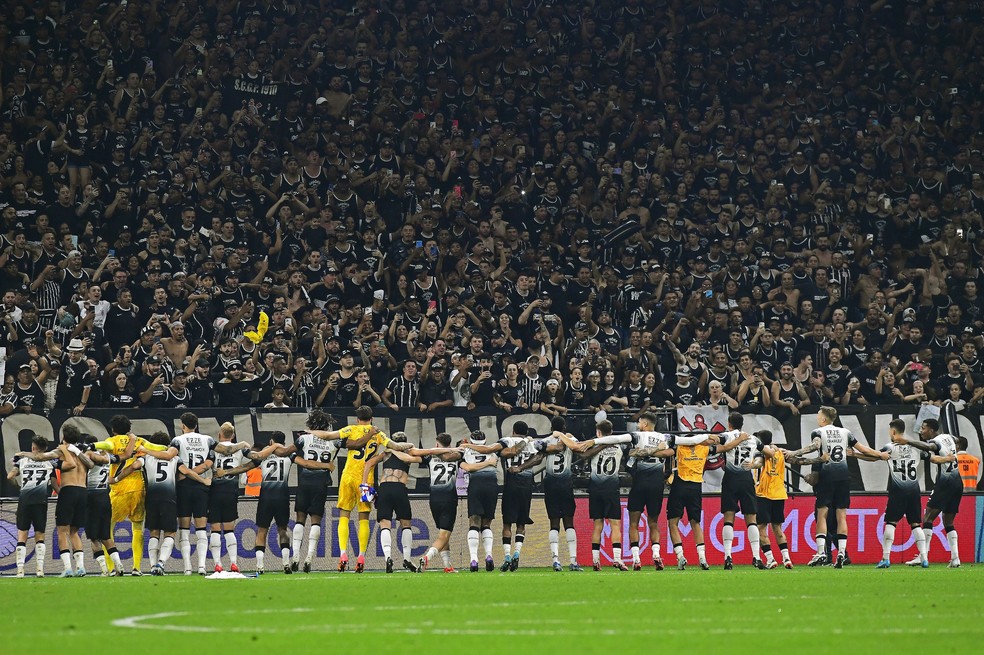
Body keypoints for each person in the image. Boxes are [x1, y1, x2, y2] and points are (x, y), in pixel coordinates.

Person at [784, 406, 881, 568]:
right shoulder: (846, 432)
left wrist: (794, 453)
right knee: (841, 515)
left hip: (827, 476)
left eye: (818, 414)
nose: (817, 417)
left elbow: (815, 446)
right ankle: (842, 552)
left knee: (822, 514)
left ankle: (821, 553)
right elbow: (864, 450)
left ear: (823, 419)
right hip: (843, 477)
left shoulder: (818, 432)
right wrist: (880, 455)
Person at [362, 431, 458, 573]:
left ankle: (387, 557)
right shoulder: (409, 454)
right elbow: (423, 453)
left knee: (384, 524)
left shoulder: (386, 453)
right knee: (406, 523)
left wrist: (365, 484)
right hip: (400, 488)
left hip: (385, 487)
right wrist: (450, 449)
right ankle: (406, 559)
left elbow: (368, 463)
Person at [116, 432, 211, 576]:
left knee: (154, 532)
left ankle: (153, 566)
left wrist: (116, 479)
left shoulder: (145, 457)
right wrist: (203, 481)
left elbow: (132, 467)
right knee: (170, 533)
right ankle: (161, 563)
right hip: (169, 499)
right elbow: (187, 472)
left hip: (151, 499)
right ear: (166, 445)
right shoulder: (175, 459)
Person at [332, 405, 412, 572]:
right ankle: (361, 556)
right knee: (364, 518)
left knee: (344, 516)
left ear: (357, 419)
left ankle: (343, 554)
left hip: (348, 476)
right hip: (366, 481)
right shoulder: (378, 433)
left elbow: (331, 436)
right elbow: (395, 446)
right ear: (372, 418)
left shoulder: (351, 429)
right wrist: (409, 445)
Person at [169, 412, 248, 575]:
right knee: (201, 528)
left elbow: (172, 459)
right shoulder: (207, 440)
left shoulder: (177, 440)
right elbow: (227, 450)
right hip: (202, 488)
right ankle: (202, 566)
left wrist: (187, 473)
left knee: (184, 528)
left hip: (183, 487)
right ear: (196, 425)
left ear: (182, 425)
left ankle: (187, 568)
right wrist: (242, 444)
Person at [92, 414, 168, 575]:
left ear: (113, 429)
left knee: (108, 529)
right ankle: (137, 568)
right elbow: (158, 447)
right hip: (138, 488)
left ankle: (112, 568)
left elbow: (103, 445)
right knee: (138, 528)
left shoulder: (112, 441)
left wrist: (91, 445)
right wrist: (169, 447)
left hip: (118, 488)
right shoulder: (139, 441)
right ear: (129, 428)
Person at [664, 427, 747, 570]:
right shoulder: (704, 449)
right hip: (696, 487)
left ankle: (680, 556)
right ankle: (702, 558)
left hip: (679, 485)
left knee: (673, 523)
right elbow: (726, 447)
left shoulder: (679, 447)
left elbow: (665, 452)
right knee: (695, 523)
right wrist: (740, 439)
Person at [850, 419, 926, 569]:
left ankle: (886, 558)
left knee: (891, 522)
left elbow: (874, 457)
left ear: (893, 431)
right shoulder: (915, 448)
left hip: (898, 490)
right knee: (916, 524)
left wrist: (854, 454)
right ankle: (924, 558)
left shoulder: (890, 447)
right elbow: (931, 456)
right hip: (914, 489)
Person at [214, 432, 293, 574]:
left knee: (262, 530)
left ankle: (260, 565)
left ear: (270, 441)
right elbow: (303, 462)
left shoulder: (263, 456)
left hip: (266, 497)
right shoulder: (288, 455)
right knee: (283, 530)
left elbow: (244, 467)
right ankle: (286, 563)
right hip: (282, 496)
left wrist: (226, 472)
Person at [463, 421, 537, 571]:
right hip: (523, 483)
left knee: (504, 522)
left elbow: (501, 451)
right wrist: (522, 466)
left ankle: (501, 557)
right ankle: (515, 553)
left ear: (513, 430)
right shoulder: (532, 443)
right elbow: (539, 457)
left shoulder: (504, 442)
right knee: (519, 523)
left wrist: (467, 446)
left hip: (505, 483)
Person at [557, 420, 628, 571]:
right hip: (612, 489)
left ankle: (596, 561)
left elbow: (581, 452)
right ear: (612, 430)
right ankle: (617, 559)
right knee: (615, 525)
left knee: (597, 525)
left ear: (598, 432)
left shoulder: (593, 445)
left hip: (595, 489)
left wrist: (561, 435)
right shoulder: (619, 445)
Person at [513, 416, 582, 572]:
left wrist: (521, 467)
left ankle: (556, 561)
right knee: (569, 522)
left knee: (554, 523)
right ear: (564, 426)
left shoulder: (545, 441)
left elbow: (537, 459)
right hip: (566, 484)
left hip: (550, 484)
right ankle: (573, 561)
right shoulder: (569, 438)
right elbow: (579, 449)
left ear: (551, 427)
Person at [894, 419, 963, 567]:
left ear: (932, 430)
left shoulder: (936, 441)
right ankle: (955, 558)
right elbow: (958, 440)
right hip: (958, 483)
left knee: (927, 518)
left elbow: (928, 446)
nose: (921, 431)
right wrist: (953, 449)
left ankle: (923, 555)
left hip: (945, 484)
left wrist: (908, 442)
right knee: (949, 521)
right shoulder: (949, 437)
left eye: (923, 428)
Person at [717, 412, 765, 569]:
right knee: (751, 518)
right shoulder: (753, 439)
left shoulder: (727, 435)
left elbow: (716, 443)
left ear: (729, 424)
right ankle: (757, 557)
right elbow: (765, 455)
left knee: (729, 517)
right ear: (742, 424)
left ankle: (728, 556)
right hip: (746, 480)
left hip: (730, 479)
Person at [7, 434, 57, 577]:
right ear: (45, 448)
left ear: (33, 447)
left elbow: (10, 476)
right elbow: (54, 483)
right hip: (41, 500)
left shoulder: (22, 461)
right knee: (39, 534)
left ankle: (20, 570)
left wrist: (19, 487)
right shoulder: (50, 462)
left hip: (25, 499)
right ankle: (40, 569)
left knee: (22, 534)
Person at [419, 432, 464, 573]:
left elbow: (412, 456)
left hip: (434, 499)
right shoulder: (456, 455)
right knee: (444, 535)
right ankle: (427, 558)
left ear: (437, 444)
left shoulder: (430, 456)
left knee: (443, 534)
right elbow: (454, 455)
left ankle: (447, 565)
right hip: (449, 499)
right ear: (450, 444)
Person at [206, 422, 248, 573]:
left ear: (219, 434)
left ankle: (217, 564)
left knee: (216, 529)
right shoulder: (240, 450)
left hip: (215, 490)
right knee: (229, 530)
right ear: (233, 435)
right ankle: (233, 563)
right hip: (231, 491)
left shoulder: (213, 449)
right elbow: (254, 459)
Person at [748, 430, 793, 569]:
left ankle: (770, 559)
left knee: (761, 527)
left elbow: (759, 462)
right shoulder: (780, 452)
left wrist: (751, 465)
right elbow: (796, 458)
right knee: (777, 527)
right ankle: (786, 559)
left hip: (764, 493)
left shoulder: (761, 452)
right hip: (779, 493)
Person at [82, 435, 124, 576]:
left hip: (91, 497)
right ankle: (119, 565)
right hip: (105, 497)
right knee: (106, 536)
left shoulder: (87, 456)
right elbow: (122, 457)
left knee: (94, 537)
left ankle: (105, 570)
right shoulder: (107, 456)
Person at [461, 430, 500, 572]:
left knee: (474, 521)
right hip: (492, 485)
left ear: (471, 441)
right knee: (487, 523)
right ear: (485, 441)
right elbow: (494, 463)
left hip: (476, 484)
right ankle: (489, 555)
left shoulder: (465, 452)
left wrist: (465, 447)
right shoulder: (493, 452)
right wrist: (488, 462)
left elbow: (469, 468)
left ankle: (473, 559)